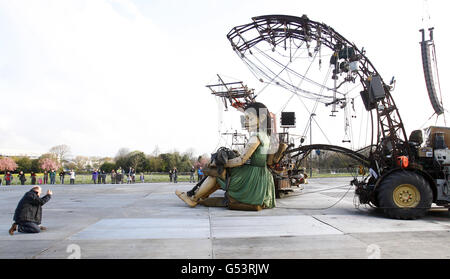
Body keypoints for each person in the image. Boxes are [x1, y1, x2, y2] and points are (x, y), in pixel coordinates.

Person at [176, 102, 276, 211]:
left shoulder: (255, 137)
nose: (245, 122)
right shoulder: (266, 136)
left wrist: (220, 163)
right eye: (245, 118)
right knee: (222, 174)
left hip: (251, 177)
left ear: (261, 118)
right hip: (261, 176)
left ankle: (193, 198)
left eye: (249, 119)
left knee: (217, 172)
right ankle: (200, 195)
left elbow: (241, 160)